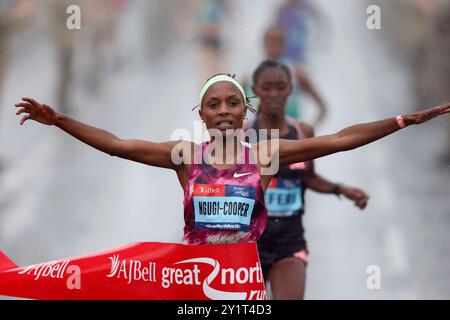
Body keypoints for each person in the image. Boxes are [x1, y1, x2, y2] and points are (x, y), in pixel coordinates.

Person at [13, 74, 449, 246]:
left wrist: (403, 120)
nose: (223, 111)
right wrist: (59, 121)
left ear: (246, 112)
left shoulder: (264, 156)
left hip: (246, 283)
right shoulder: (183, 156)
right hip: (194, 282)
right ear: (200, 114)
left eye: (232, 104)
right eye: (213, 104)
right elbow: (116, 144)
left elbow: (340, 140)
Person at [246, 59, 368, 299]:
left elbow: (309, 178)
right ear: (255, 90)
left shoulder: (303, 132)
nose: (273, 94)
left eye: (280, 86)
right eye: (266, 87)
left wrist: (340, 189)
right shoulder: (242, 134)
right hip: (249, 244)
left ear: (290, 89)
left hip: (289, 243)